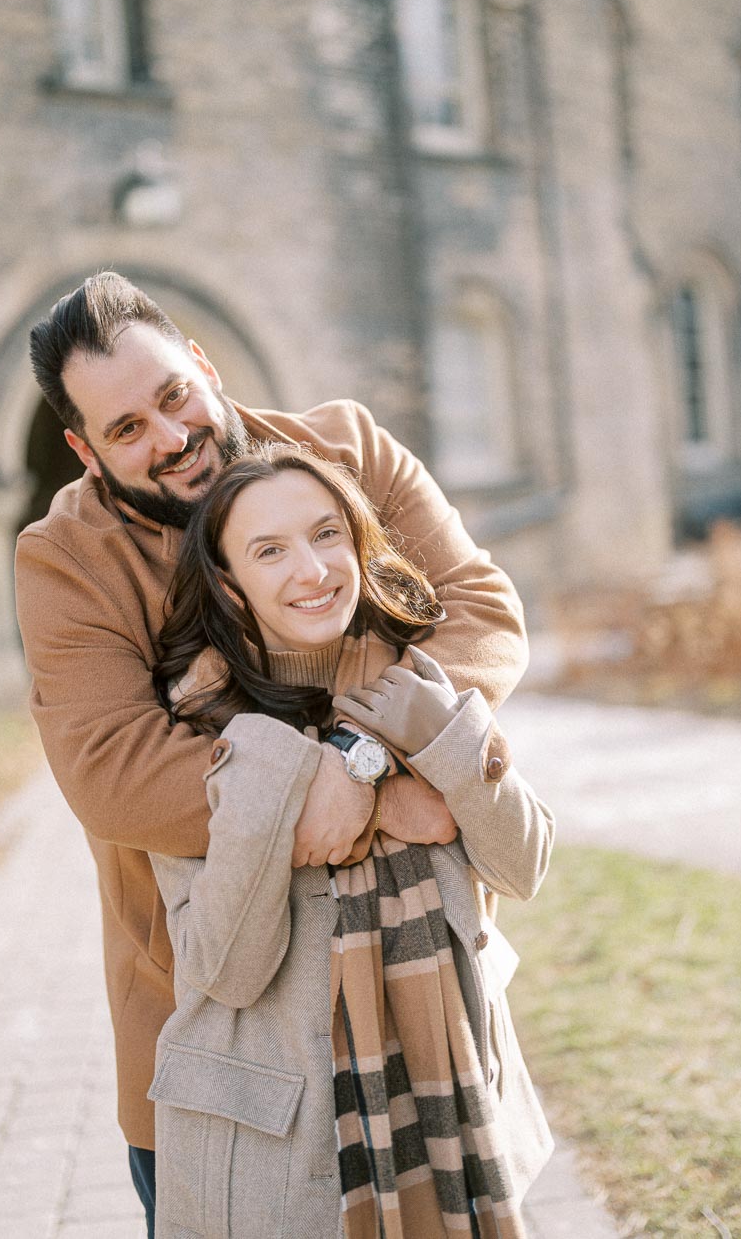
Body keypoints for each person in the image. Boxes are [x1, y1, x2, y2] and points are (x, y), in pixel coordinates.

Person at [15, 271, 531, 1232]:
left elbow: (480, 617)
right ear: (85, 451)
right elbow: (116, 776)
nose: (170, 437)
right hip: (229, 1033)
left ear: (204, 367)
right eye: (127, 428)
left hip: (426, 987)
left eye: (173, 396)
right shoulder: (65, 558)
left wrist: (360, 751)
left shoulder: (349, 449)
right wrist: (369, 795)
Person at [148, 443, 554, 1238]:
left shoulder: (422, 683)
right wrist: (311, 776)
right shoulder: (203, 733)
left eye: (326, 533)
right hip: (293, 1141)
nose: (313, 570)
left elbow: (525, 864)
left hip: (456, 1092)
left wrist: (443, 751)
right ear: (230, 585)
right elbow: (225, 971)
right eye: (269, 550)